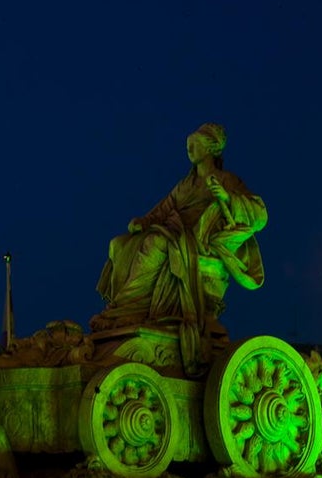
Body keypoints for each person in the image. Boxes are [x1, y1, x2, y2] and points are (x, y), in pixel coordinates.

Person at [93, 123, 267, 374]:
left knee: (156, 244)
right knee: (118, 245)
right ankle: (121, 309)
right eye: (188, 145)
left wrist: (228, 198)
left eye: (194, 144)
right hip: (175, 232)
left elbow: (260, 215)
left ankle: (127, 307)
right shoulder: (184, 184)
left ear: (211, 148)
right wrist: (143, 221)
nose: (189, 149)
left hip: (197, 241)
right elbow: (163, 209)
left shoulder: (227, 180)